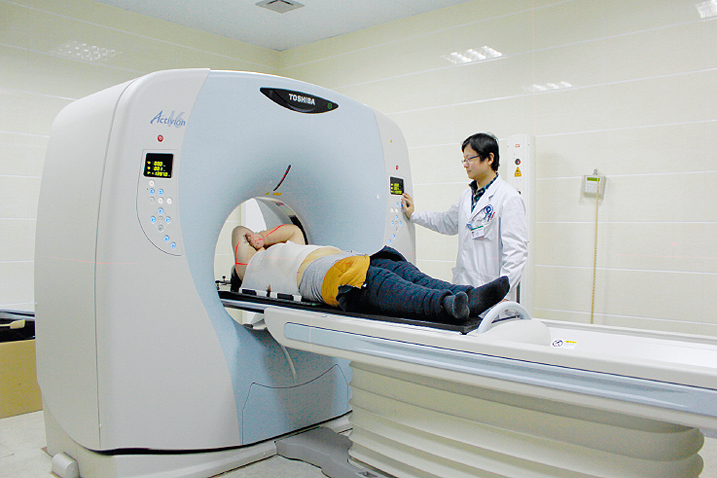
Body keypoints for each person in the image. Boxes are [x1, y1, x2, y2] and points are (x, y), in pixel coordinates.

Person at [231, 224, 509, 324]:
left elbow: (292, 231)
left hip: (349, 260)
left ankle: (469, 296)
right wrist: (257, 242)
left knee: (404, 271)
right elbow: (237, 232)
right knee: (384, 285)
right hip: (325, 277)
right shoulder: (251, 269)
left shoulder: (290, 245)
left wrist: (262, 236)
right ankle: (447, 306)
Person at [401, 133, 528, 301]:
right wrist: (414, 215)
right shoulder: (466, 196)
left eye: (470, 159)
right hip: (464, 289)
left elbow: (516, 251)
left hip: (492, 293)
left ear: (489, 158)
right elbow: (446, 222)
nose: (465, 164)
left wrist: (503, 292)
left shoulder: (508, 198)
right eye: (464, 160)